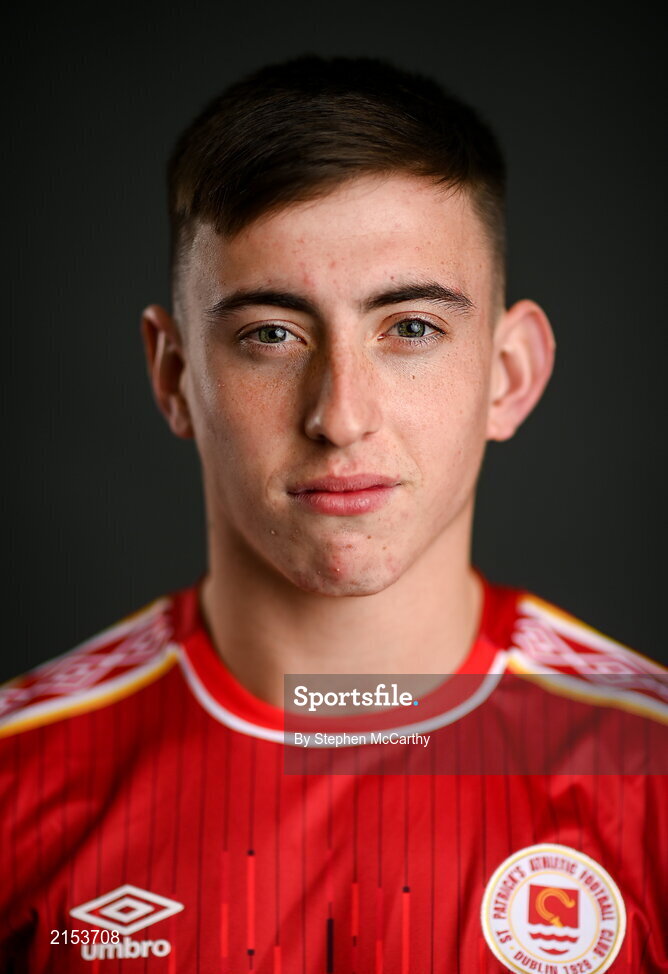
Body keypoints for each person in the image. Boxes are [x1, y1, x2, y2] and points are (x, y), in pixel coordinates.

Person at [1, 56, 666, 974]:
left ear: (509, 377)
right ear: (174, 375)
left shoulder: (652, 772)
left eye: (411, 329)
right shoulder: (15, 781)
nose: (340, 415)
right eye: (271, 334)